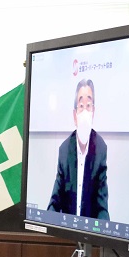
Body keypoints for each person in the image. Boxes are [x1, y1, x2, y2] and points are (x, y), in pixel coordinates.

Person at [48, 78, 109, 219]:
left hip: (90, 229)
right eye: (81, 106)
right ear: (74, 115)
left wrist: (105, 229)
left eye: (89, 105)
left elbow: (102, 207)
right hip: (67, 228)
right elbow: (55, 201)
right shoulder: (64, 150)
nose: (85, 111)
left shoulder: (101, 149)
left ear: (93, 112)